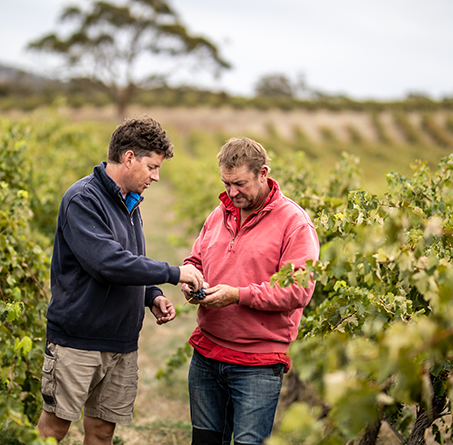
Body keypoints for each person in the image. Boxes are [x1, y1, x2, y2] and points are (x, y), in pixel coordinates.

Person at [37, 116, 204, 445]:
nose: (156, 177)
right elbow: (107, 263)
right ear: (129, 158)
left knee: (102, 432)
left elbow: (130, 259)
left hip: (121, 343)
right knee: (54, 429)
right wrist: (173, 273)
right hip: (77, 340)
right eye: (152, 167)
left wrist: (152, 295)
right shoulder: (83, 199)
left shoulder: (129, 202)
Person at [181, 137, 320, 445]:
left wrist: (237, 295)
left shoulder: (294, 224)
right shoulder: (219, 215)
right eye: (226, 183)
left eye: (240, 183)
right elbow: (196, 259)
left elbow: (298, 291)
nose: (231, 193)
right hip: (206, 354)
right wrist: (191, 278)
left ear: (263, 173)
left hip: (257, 364)